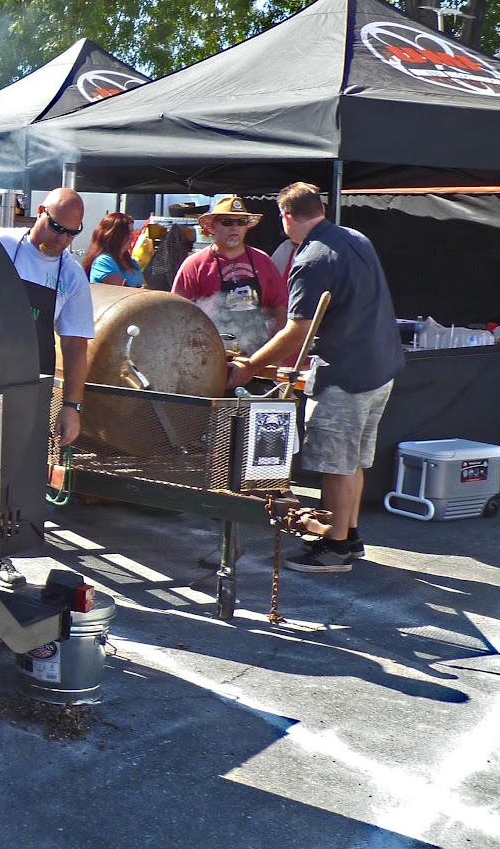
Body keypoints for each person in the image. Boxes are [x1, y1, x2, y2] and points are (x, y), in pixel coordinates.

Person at [228, 183, 405, 573]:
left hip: (347, 376)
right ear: (321, 208)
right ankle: (350, 535)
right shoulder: (355, 237)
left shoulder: (310, 259)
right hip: (380, 368)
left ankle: (336, 548)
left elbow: (296, 329)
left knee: (336, 464)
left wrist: (249, 367)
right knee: (353, 460)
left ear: (286, 217)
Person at [0, 187, 95, 447]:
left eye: (72, 233)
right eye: (57, 227)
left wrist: (72, 406)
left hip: (30, 388)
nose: (62, 240)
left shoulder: (72, 276)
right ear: (40, 212)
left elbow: (75, 345)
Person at [171, 194, 287, 355]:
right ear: (212, 227)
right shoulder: (194, 265)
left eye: (241, 222)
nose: (235, 227)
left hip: (257, 356)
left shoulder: (263, 261)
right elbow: (178, 313)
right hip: (209, 356)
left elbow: (280, 308)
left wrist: (276, 354)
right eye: (227, 222)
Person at [83, 212, 144, 287]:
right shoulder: (104, 261)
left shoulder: (132, 262)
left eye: (132, 232)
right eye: (128, 233)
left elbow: (145, 288)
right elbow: (122, 291)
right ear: (114, 235)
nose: (132, 237)